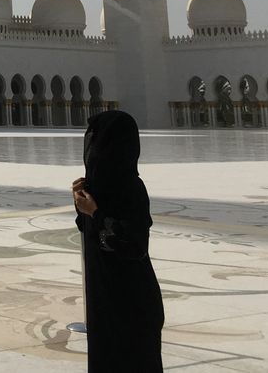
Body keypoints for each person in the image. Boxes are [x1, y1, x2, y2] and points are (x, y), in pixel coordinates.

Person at [72, 109, 164, 372]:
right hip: (104, 300)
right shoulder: (96, 187)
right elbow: (90, 234)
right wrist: (82, 206)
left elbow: (133, 245)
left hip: (131, 300)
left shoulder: (131, 188)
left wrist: (96, 213)